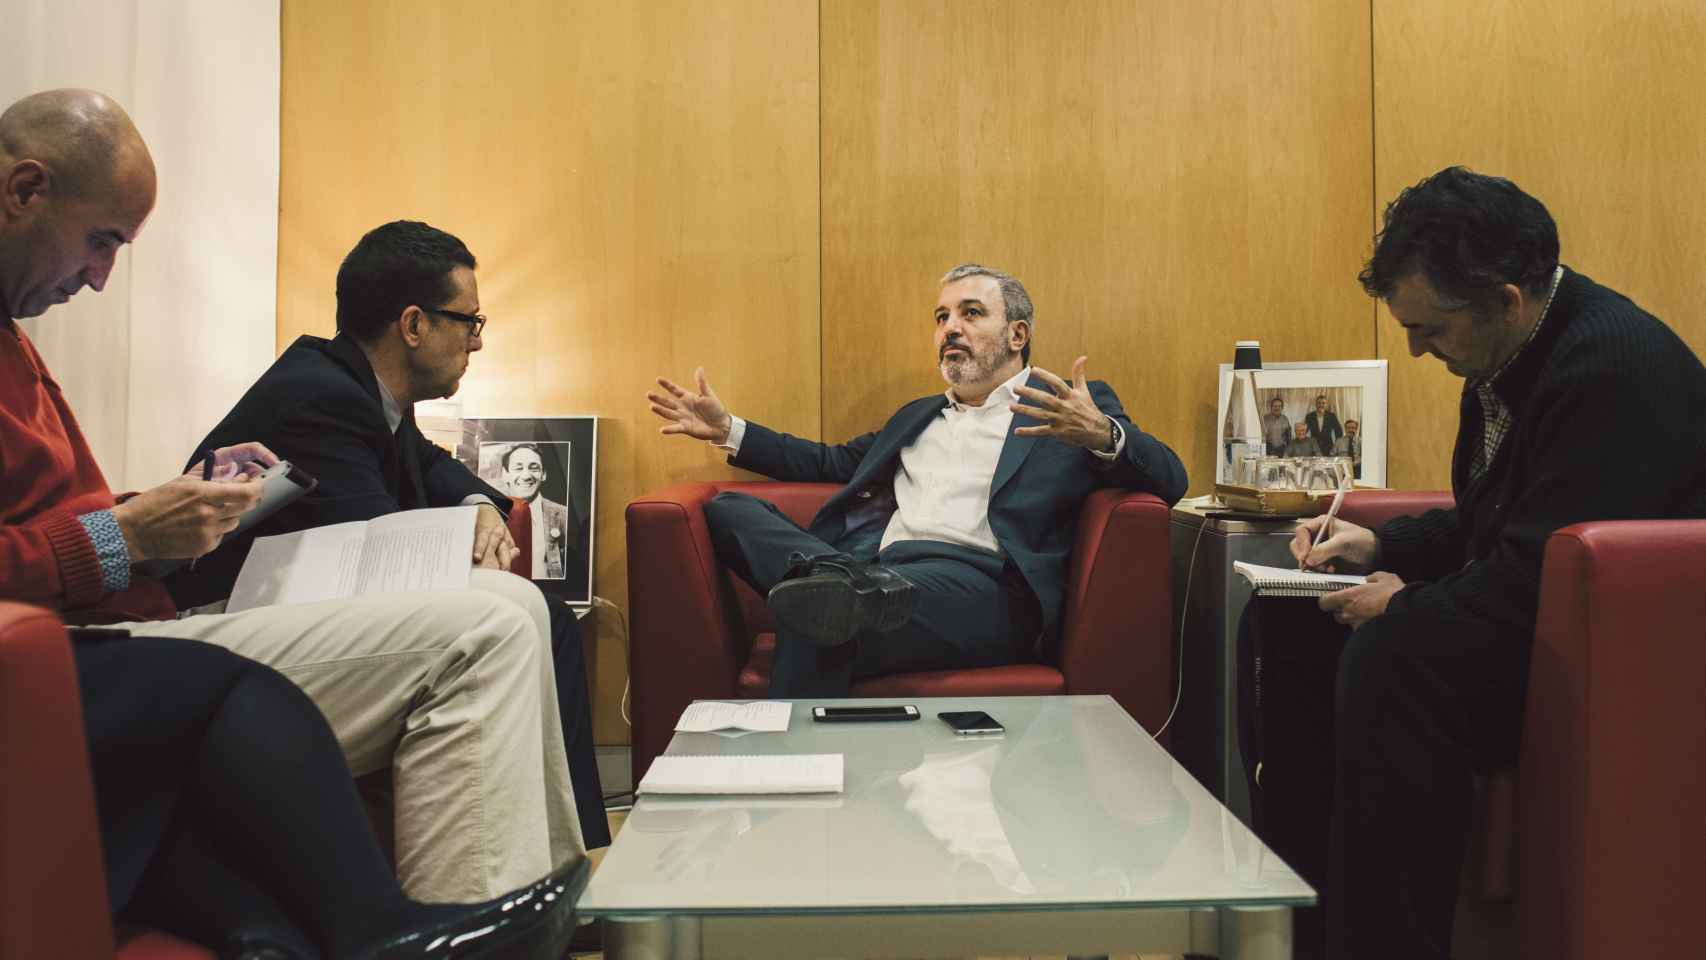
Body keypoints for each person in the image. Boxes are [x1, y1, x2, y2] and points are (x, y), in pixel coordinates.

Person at [0, 89, 583, 903]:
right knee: (489, 620)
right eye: (100, 242)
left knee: (514, 609)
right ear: (25, 190)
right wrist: (125, 535)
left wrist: (168, 507)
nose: (99, 279)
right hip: (88, 657)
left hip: (125, 626)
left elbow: (52, 523)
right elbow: (74, 545)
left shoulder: (15, 344)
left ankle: (553, 902)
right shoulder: (325, 388)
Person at [1248, 166, 1706, 959]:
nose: (1420, 352)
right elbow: (1506, 517)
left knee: (1395, 655)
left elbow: (1547, 570)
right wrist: (1383, 546)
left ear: (1507, 299)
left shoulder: (1613, 370)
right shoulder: (1506, 352)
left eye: (1431, 330)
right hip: (1545, 616)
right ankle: (1300, 928)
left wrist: (1405, 606)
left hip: (1620, 658)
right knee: (1289, 612)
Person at [164, 221, 608, 848]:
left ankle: (570, 853)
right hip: (225, 621)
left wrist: (481, 505)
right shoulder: (322, 395)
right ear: (414, 325)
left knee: (539, 613)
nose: (477, 343)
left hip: (298, 603)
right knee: (532, 614)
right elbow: (383, 547)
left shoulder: (362, 389)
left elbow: (429, 462)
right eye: (469, 322)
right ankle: (577, 854)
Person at [647, 263, 1187, 697]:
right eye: (942, 316)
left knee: (816, 617)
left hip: (987, 591)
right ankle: (837, 582)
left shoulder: (1065, 411)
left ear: (1017, 333)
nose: (950, 327)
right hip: (882, 577)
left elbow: (1172, 479)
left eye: (971, 313)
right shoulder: (917, 416)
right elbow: (830, 462)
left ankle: (831, 600)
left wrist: (1102, 433)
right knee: (729, 511)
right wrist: (729, 429)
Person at [74, 630, 583, 959]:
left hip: (125, 603)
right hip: (69, 629)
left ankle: (280, 941)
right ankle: (396, 932)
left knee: (527, 608)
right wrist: (117, 536)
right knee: (487, 633)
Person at [498, 442, 576, 582]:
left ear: (543, 474)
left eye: (534, 468)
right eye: (518, 468)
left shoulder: (564, 515)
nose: (526, 476)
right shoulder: (493, 514)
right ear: (505, 474)